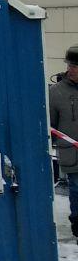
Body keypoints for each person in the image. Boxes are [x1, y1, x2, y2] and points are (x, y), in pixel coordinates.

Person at [50, 45, 78, 237]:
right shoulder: (57, 92)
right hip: (72, 154)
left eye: (75, 66)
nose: (71, 69)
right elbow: (51, 125)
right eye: (69, 65)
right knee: (77, 191)